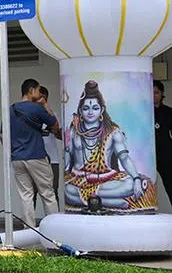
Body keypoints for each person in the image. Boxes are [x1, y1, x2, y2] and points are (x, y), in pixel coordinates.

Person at [65, 80, 155, 211]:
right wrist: (67, 147)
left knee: (129, 184)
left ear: (101, 110)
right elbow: (68, 164)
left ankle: (93, 200)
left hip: (106, 179)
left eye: (95, 108)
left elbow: (124, 158)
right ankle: (113, 202)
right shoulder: (74, 131)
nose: (90, 112)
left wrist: (136, 178)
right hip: (80, 180)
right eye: (86, 108)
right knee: (68, 191)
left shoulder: (113, 132)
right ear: (80, 111)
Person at [9, 78, 60, 228]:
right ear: (31, 90)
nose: (39, 93)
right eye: (37, 90)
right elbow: (55, 126)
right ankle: (54, 229)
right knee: (48, 194)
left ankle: (28, 232)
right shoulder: (36, 108)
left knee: (26, 196)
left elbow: (2, 135)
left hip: (17, 158)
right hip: (36, 156)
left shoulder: (11, 109)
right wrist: (44, 104)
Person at [37, 86, 62, 204]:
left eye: (44, 99)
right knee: (32, 193)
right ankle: (29, 223)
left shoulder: (53, 115)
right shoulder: (31, 114)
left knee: (53, 191)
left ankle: (54, 219)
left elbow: (61, 135)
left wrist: (47, 108)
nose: (41, 102)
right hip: (35, 157)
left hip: (52, 159)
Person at [155, 80, 172, 202]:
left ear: (162, 94)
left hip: (165, 153)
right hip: (147, 154)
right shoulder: (143, 112)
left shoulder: (168, 112)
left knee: (170, 184)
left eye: (156, 93)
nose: (153, 96)